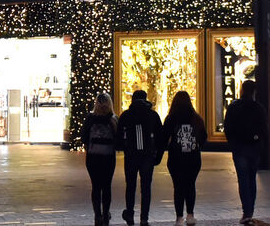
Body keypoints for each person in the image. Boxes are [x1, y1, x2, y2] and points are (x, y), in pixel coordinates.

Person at [159, 91, 207, 226]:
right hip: (193, 158)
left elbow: (163, 137)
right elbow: (203, 137)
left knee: (178, 187)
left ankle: (179, 217)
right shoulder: (197, 119)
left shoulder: (171, 119)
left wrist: (159, 154)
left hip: (176, 158)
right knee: (191, 185)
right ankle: (190, 215)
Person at [224, 80, 266, 225]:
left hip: (240, 147)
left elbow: (228, 126)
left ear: (242, 90)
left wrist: (233, 143)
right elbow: (264, 128)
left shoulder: (234, 107)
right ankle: (250, 210)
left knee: (243, 180)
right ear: (254, 91)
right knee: (251, 178)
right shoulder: (258, 108)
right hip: (254, 147)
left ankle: (246, 211)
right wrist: (260, 143)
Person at [118, 89, 162, 226]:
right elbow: (160, 137)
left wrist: (124, 148)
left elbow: (119, 137)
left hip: (131, 156)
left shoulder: (126, 115)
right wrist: (158, 156)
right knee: (146, 187)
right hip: (147, 156)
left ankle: (130, 214)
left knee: (130, 186)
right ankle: (144, 218)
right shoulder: (153, 115)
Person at [80, 92, 117, 226]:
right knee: (106, 186)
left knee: (96, 186)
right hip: (108, 157)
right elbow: (118, 140)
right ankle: (106, 213)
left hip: (93, 157)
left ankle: (97, 215)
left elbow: (83, 136)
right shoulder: (113, 119)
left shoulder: (90, 118)